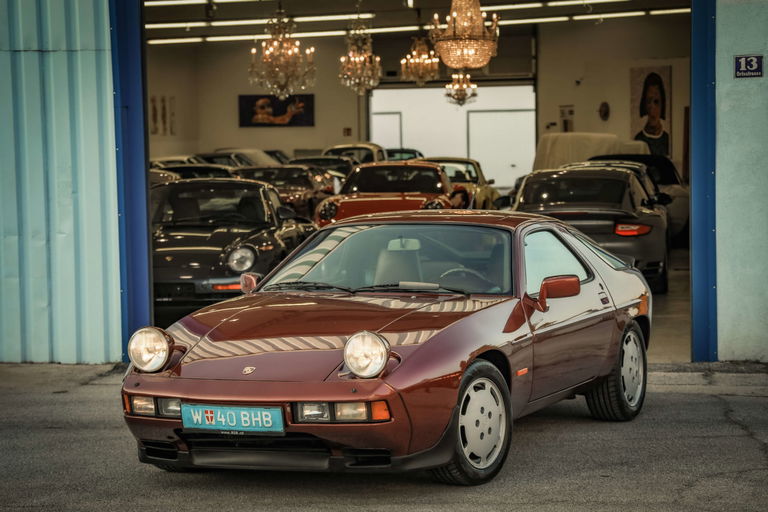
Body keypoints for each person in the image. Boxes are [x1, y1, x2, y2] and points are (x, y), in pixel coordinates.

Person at [634, 72, 670, 157]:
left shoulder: (667, 139)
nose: (652, 107)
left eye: (656, 102)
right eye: (648, 101)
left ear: (662, 104)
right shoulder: (638, 140)